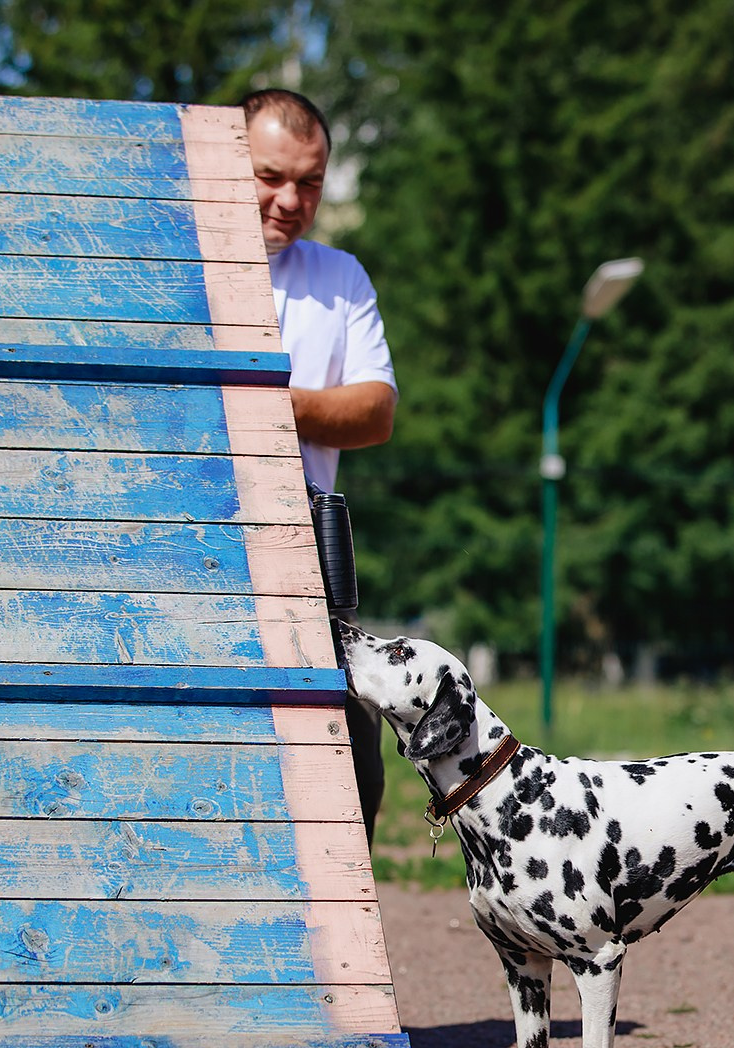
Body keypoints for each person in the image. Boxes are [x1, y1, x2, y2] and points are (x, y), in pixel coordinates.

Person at [242, 89, 399, 842]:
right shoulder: (167, 263)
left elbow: (376, 411)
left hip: (305, 551)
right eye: (269, 175)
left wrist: (257, 398)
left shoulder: (340, 276)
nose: (289, 199)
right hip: (181, 541)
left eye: (309, 182)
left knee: (352, 760)